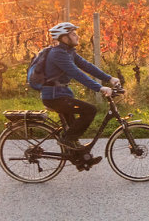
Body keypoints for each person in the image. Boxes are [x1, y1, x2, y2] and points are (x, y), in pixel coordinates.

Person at [38, 21, 117, 167]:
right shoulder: (58, 54)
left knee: (73, 128)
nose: (77, 36)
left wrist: (109, 78)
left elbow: (87, 66)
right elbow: (77, 74)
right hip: (54, 97)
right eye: (73, 34)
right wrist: (100, 88)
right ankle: (66, 140)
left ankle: (81, 160)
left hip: (62, 96)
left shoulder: (69, 52)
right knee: (90, 110)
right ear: (64, 38)